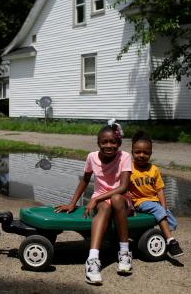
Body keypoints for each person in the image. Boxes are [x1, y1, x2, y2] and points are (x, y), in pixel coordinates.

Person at [55, 121, 133, 285]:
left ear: (118, 143)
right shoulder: (92, 157)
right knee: (104, 208)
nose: (108, 145)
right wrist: (72, 203)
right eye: (104, 142)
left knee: (117, 199)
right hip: (102, 199)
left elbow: (124, 186)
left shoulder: (124, 156)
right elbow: (85, 180)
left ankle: (125, 253)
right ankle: (92, 259)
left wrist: (95, 198)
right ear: (98, 143)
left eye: (113, 141)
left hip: (120, 197)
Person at [129, 130, 184, 258]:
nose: (141, 155)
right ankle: (171, 242)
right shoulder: (130, 168)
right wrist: (130, 205)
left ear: (150, 154)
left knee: (172, 221)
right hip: (140, 201)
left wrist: (164, 207)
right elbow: (125, 188)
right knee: (158, 210)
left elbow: (159, 190)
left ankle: (159, 236)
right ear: (132, 152)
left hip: (154, 201)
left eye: (145, 153)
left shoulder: (154, 170)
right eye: (137, 152)